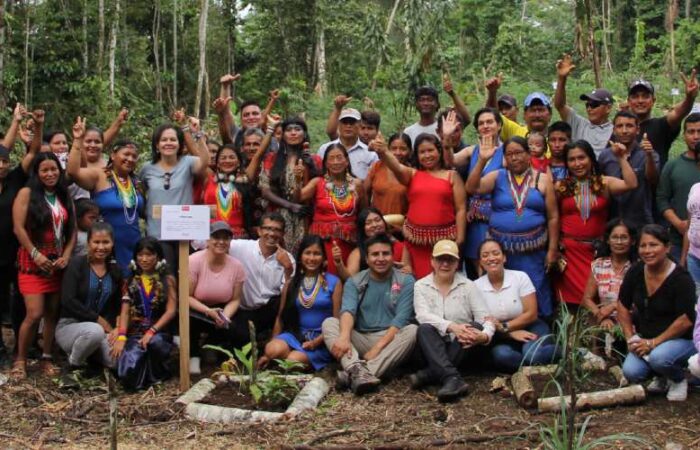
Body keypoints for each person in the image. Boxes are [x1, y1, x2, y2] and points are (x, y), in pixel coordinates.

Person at [466, 136, 559, 318]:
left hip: (533, 250)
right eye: (509, 154)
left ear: (528, 154)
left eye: (518, 153)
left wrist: (552, 250)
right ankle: (503, 331)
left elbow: (553, 217)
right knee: (500, 291)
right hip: (501, 251)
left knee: (536, 287)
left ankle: (539, 334)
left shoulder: (543, 179)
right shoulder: (497, 176)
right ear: (504, 158)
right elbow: (472, 188)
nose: (514, 158)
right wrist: (483, 160)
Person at [322, 233, 417, 395]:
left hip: (392, 341)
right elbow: (347, 311)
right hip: (362, 337)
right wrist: (345, 336)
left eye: (385, 253)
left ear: (393, 256)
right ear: (367, 258)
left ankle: (355, 373)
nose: (380, 258)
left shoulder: (405, 280)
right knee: (330, 323)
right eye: (375, 254)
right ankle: (357, 369)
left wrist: (378, 348)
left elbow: (401, 319)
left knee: (413, 330)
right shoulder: (355, 281)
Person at [12, 152, 76, 379]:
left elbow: (73, 231)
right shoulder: (27, 193)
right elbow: (18, 228)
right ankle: (20, 359)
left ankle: (46, 357)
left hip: (56, 263)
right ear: (36, 173)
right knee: (34, 313)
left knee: (51, 313)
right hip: (33, 262)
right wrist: (35, 254)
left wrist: (66, 255)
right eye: (45, 170)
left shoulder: (62, 193)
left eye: (54, 169)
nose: (50, 174)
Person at [553, 140, 637, 309]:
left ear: (591, 158)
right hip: (569, 253)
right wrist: (554, 247)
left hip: (596, 252)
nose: (577, 164)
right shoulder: (561, 186)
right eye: (572, 159)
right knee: (570, 304)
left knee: (596, 297)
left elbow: (631, 184)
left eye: (581, 158)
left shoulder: (603, 183)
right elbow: (553, 217)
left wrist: (621, 158)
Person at [371, 133, 466, 279]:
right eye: (422, 152)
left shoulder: (452, 176)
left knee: (443, 282)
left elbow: (461, 209)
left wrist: (459, 239)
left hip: (444, 244)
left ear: (439, 152)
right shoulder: (412, 174)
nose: (427, 155)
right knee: (414, 284)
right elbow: (396, 167)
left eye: (430, 150)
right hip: (415, 244)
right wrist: (383, 151)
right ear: (417, 155)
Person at [618, 225, 696, 402]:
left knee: (660, 357)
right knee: (631, 371)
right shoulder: (636, 271)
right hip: (646, 338)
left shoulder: (681, 278)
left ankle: (678, 378)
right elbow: (622, 305)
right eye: (643, 246)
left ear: (667, 247)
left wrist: (653, 343)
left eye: (653, 245)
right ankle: (662, 377)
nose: (647, 251)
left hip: (683, 340)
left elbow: (686, 320)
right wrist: (631, 338)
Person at [411, 240, 494, 402]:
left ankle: (431, 374)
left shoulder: (468, 286)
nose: (445, 264)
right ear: (432, 262)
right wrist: (451, 326)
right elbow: (422, 315)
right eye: (440, 259)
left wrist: (484, 336)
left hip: (462, 346)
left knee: (474, 326)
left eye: (450, 260)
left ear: (457, 263)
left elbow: (486, 319)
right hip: (432, 347)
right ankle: (451, 377)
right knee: (424, 328)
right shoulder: (420, 285)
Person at [68, 117, 144, 272]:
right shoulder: (99, 175)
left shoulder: (136, 182)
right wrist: (77, 141)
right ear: (113, 155)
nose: (130, 159)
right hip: (104, 247)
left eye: (134, 156)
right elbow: (73, 171)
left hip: (134, 245)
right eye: (126, 154)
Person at [258, 235, 341, 371]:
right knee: (272, 350)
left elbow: (337, 320)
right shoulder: (291, 283)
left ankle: (290, 363)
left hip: (321, 339)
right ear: (301, 257)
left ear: (323, 258)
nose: (312, 258)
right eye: (307, 253)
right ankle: (275, 360)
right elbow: (280, 317)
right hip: (295, 335)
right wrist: (269, 352)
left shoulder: (334, 282)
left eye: (317, 254)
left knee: (293, 361)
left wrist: (316, 342)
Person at [475, 239, 558, 373]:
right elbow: (483, 322)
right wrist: (510, 334)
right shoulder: (476, 286)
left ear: (504, 257)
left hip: (531, 326)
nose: (491, 258)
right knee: (501, 355)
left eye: (496, 253)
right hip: (501, 336)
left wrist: (506, 327)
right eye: (485, 255)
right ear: (480, 262)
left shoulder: (520, 277)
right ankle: (531, 366)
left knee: (532, 354)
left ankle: (567, 351)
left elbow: (531, 313)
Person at [55, 222, 123, 386]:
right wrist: (98, 319)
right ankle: (72, 367)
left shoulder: (114, 270)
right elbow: (68, 300)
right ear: (88, 243)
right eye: (96, 242)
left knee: (117, 361)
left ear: (112, 243)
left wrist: (117, 329)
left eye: (105, 242)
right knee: (95, 331)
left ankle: (91, 358)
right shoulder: (76, 264)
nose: (101, 247)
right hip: (70, 327)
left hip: (101, 330)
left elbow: (118, 304)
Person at [139, 122, 210, 271]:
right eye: (164, 140)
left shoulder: (188, 162)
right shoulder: (147, 168)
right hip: (157, 234)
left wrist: (199, 136)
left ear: (179, 144)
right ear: (157, 145)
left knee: (186, 275)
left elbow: (205, 162)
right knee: (166, 276)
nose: (168, 143)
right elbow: (141, 194)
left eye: (173, 139)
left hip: (185, 232)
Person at [0, 104, 38, 368]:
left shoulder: (14, 179)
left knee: (21, 299)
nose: (1, 164)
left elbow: (33, 152)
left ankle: (23, 346)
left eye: (4, 161)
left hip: (16, 251)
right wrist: (14, 122)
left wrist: (23, 126)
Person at [444, 108, 504, 270]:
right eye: (481, 123)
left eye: (489, 122)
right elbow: (451, 161)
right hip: (474, 220)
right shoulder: (473, 150)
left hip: (498, 219)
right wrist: (447, 139)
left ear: (499, 125)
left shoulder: (508, 152)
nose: (485, 126)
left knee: (496, 266)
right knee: (475, 269)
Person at [114, 237, 177, 390]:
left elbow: (171, 311)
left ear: (158, 257)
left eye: (149, 255)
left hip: (159, 332)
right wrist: (122, 336)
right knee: (127, 370)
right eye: (140, 255)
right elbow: (125, 310)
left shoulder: (167, 280)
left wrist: (152, 331)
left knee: (155, 344)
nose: (145, 259)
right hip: (135, 332)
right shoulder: (130, 281)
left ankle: (158, 376)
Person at [295, 143, 364, 275]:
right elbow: (298, 198)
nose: (336, 162)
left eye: (339, 157)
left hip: (349, 242)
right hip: (323, 243)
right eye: (331, 158)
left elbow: (363, 213)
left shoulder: (357, 184)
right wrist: (298, 179)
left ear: (347, 160)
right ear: (325, 163)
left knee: (346, 278)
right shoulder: (318, 182)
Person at [229, 212, 295, 347]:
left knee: (289, 305)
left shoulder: (288, 259)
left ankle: (273, 340)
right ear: (259, 231)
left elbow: (286, 296)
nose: (272, 233)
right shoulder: (240, 247)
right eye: (268, 228)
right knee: (239, 337)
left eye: (277, 230)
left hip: (269, 309)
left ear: (282, 234)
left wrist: (288, 270)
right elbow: (214, 243)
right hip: (244, 309)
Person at [187, 222, 245, 374]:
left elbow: (235, 299)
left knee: (239, 330)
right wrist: (207, 311)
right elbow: (186, 296)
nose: (221, 242)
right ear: (207, 240)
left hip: (222, 308)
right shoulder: (193, 261)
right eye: (216, 237)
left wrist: (225, 316)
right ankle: (193, 354)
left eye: (225, 238)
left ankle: (214, 346)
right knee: (187, 318)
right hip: (198, 308)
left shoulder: (237, 266)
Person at [259, 117, 319, 253]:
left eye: (297, 129)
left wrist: (311, 165)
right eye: (289, 130)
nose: (293, 133)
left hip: (305, 215)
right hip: (279, 214)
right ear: (283, 134)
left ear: (304, 134)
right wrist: (290, 206)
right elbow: (265, 190)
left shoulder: (314, 159)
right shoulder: (272, 158)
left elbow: (319, 185)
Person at [598, 111, 660, 231]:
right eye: (620, 126)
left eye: (629, 126)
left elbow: (652, 179)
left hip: (640, 221)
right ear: (614, 129)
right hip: (612, 220)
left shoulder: (648, 153)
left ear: (637, 130)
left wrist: (649, 156)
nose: (624, 130)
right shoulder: (605, 155)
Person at [626, 72, 698, 166]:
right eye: (635, 97)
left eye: (645, 96)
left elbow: (677, 113)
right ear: (629, 101)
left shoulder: (661, 126)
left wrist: (689, 98)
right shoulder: (621, 129)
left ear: (653, 101)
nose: (640, 101)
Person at [200, 138, 267, 238]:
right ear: (217, 162)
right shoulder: (209, 178)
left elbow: (258, 156)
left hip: (237, 237)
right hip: (209, 236)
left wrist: (270, 129)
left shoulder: (245, 179)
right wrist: (196, 134)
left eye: (232, 157)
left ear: (239, 162)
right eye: (223, 157)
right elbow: (198, 155)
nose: (227, 160)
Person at [656, 113, 700, 260]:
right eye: (691, 131)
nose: (695, 136)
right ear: (684, 134)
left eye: (699, 131)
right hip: (677, 240)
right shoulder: (673, 166)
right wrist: (679, 224)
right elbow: (662, 199)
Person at [553, 54, 613, 156]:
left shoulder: (616, 130)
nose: (589, 108)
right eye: (587, 105)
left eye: (594, 104)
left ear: (608, 108)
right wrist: (562, 78)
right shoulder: (579, 124)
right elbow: (560, 105)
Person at [581, 220, 636, 330]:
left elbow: (640, 303)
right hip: (606, 326)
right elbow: (586, 299)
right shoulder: (599, 265)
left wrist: (614, 306)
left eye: (624, 237)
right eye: (615, 237)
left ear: (632, 241)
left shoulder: (639, 268)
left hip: (633, 325)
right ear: (607, 240)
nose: (619, 242)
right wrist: (602, 316)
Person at [335, 207, 411, 281]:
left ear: (384, 222)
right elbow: (350, 279)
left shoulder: (401, 247)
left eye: (377, 220)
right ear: (363, 229)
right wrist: (339, 263)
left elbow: (406, 270)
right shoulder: (358, 252)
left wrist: (407, 270)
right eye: (368, 223)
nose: (374, 225)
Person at [317, 108, 378, 180]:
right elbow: (318, 175)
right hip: (328, 189)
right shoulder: (325, 149)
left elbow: (375, 179)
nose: (348, 126)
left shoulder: (370, 153)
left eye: (352, 122)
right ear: (339, 124)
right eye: (344, 122)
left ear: (359, 125)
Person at [363, 132, 411, 216]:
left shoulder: (412, 173)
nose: (398, 152)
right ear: (388, 149)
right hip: (377, 224)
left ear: (410, 151)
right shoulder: (377, 167)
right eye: (394, 148)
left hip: (402, 224)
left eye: (403, 149)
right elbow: (365, 192)